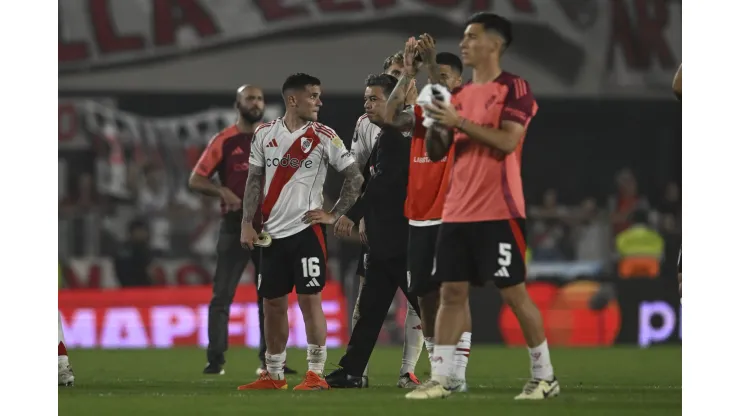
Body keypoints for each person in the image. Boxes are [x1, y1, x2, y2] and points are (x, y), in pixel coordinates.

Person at [406, 12, 558, 400]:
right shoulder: (457, 96)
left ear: (495, 44)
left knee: (513, 292)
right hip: (457, 210)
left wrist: (457, 121)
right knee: (451, 293)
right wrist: (436, 124)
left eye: (472, 37)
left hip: (500, 208)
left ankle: (544, 376)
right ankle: (443, 378)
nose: (464, 44)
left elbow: (508, 142)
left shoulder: (514, 87)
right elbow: (439, 150)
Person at [238, 73, 363, 391]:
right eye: (313, 96)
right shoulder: (264, 133)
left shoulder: (324, 135)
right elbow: (254, 180)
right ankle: (274, 375)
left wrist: (334, 215)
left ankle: (315, 374)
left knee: (310, 302)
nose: (319, 102)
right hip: (271, 236)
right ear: (293, 99)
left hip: (308, 234)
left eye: (319, 96)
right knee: (272, 305)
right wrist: (246, 222)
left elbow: (355, 176)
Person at [383, 36, 470, 391]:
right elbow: (389, 117)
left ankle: (457, 375)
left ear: (459, 82)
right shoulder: (422, 109)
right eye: (439, 74)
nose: (441, 80)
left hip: (450, 213)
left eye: (447, 75)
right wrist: (406, 74)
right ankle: (440, 371)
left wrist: (431, 66)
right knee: (424, 296)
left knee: (453, 294)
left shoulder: (462, 108)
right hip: (418, 215)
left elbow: (440, 98)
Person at [333, 50, 424, 388]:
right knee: (370, 304)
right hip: (383, 227)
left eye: (375, 99)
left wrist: (351, 213)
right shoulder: (373, 128)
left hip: (410, 225)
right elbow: (362, 174)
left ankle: (431, 368)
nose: (369, 105)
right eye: (367, 99)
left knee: (424, 304)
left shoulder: (416, 122)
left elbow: (384, 181)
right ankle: (355, 370)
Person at [189, 85, 295, 375]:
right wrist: (222, 190)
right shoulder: (224, 140)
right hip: (234, 226)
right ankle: (215, 361)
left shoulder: (274, 136)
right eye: (250, 98)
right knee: (222, 295)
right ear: (238, 103)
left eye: (260, 98)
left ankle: (272, 360)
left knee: (271, 295)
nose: (256, 102)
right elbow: (196, 180)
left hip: (269, 226)